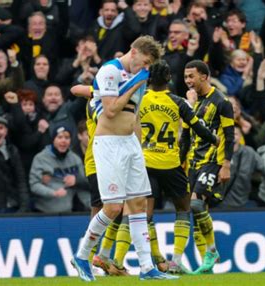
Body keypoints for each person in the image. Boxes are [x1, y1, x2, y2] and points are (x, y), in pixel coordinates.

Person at [70, 35, 177, 281]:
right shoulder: (110, 71)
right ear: (134, 51)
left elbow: (134, 114)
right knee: (112, 208)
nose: (146, 68)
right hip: (109, 145)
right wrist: (137, 80)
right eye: (145, 61)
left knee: (139, 205)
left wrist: (139, 146)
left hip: (130, 144)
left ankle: (147, 268)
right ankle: (82, 255)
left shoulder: (138, 77)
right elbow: (111, 109)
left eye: (150, 65)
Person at [139, 60, 218, 274]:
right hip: (171, 164)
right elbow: (197, 127)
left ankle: (156, 257)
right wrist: (214, 140)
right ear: (169, 79)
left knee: (146, 215)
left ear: (148, 80)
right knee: (183, 209)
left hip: (145, 163)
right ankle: (175, 260)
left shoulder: (139, 101)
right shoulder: (177, 102)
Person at [180, 60, 234, 274]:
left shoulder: (222, 102)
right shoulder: (190, 102)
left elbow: (229, 136)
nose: (188, 81)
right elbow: (185, 135)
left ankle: (211, 251)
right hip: (192, 163)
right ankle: (207, 266)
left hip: (213, 161)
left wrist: (226, 164)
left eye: (191, 76)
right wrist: (179, 162)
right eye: (185, 77)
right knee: (198, 212)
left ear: (204, 76)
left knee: (195, 205)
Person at [70, 84, 130, 276]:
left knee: (118, 209)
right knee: (99, 210)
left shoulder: (124, 99)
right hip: (96, 161)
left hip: (115, 160)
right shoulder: (101, 97)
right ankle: (87, 259)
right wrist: (97, 90)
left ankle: (101, 257)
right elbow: (75, 89)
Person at [29, 126, 90, 213]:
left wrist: (76, 181)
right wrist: (53, 193)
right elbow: (34, 185)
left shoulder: (75, 159)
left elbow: (86, 185)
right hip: (43, 213)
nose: (63, 141)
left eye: (67, 137)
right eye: (60, 137)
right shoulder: (41, 158)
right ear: (53, 139)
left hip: (69, 212)